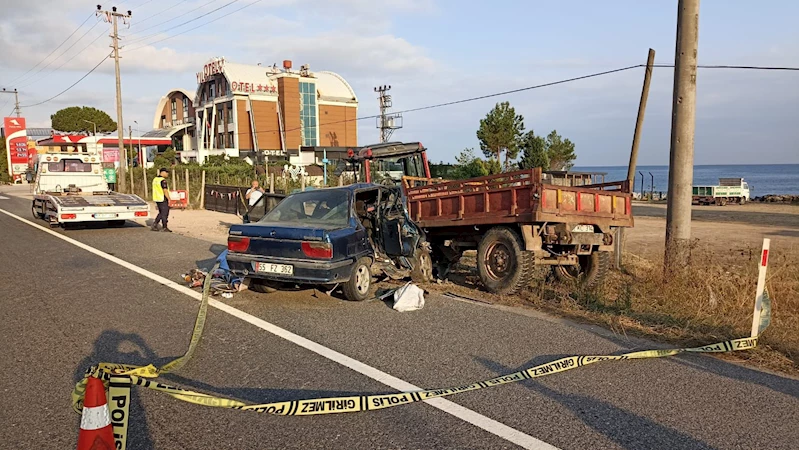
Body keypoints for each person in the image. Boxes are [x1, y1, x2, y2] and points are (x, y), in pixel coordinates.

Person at [151, 168, 173, 232]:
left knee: (161, 212)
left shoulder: (155, 179)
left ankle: (155, 224)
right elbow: (165, 190)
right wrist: (169, 198)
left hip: (157, 198)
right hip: (162, 198)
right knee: (165, 213)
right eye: (166, 172)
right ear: (162, 172)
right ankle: (164, 227)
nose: (167, 174)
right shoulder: (163, 180)